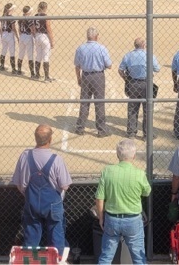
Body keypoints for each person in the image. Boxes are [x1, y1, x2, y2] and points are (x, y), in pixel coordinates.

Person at [11, 125, 71, 254]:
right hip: (53, 205)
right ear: (50, 139)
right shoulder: (57, 159)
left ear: (35, 138)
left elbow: (18, 183)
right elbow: (65, 185)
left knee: (31, 238)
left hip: (31, 204)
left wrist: (29, 196)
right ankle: (57, 260)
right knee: (56, 238)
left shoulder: (25, 156)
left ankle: (28, 259)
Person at [95, 139, 151, 265]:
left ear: (117, 154)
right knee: (139, 257)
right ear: (134, 156)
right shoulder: (139, 173)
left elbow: (99, 197)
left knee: (106, 257)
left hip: (112, 219)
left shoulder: (107, 171)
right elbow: (146, 192)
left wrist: (101, 217)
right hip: (133, 220)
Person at [118, 37, 161, 139]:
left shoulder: (128, 55)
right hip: (146, 83)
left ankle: (131, 133)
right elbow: (157, 69)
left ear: (135, 45)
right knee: (148, 109)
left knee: (132, 108)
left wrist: (127, 80)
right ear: (144, 45)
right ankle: (147, 134)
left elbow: (120, 70)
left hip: (133, 84)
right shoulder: (149, 55)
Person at [74, 27, 113, 137]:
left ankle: (80, 128)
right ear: (96, 36)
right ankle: (101, 129)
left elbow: (77, 66)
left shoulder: (81, 48)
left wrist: (79, 78)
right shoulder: (101, 48)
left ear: (87, 36)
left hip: (86, 76)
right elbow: (109, 65)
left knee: (84, 102)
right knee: (99, 102)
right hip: (98, 76)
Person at [33, 2, 55, 82]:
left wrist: (36, 36)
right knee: (46, 57)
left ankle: (37, 75)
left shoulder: (35, 16)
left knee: (38, 56)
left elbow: (34, 28)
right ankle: (46, 77)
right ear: (45, 8)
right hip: (44, 36)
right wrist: (52, 40)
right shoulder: (46, 16)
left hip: (37, 36)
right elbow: (48, 28)